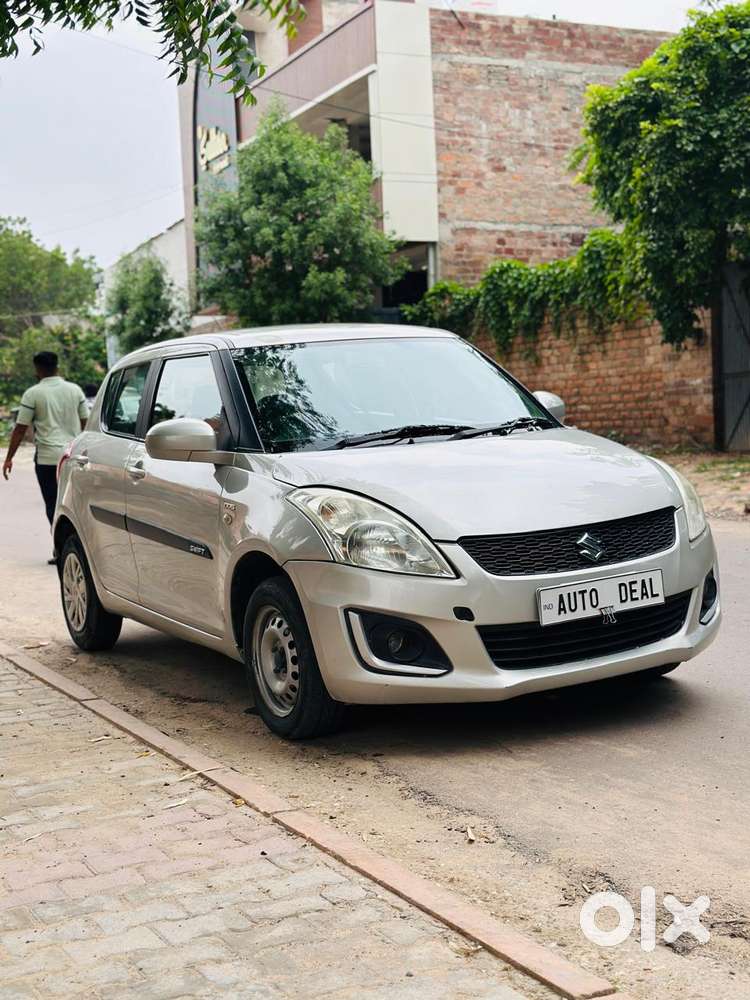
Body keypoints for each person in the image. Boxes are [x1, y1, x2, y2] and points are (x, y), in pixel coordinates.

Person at [2, 351, 88, 563]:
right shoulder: (74, 390)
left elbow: (20, 429)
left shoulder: (33, 394)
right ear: (57, 367)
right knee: (76, 503)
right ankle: (78, 549)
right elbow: (86, 422)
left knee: (53, 503)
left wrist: (9, 458)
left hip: (48, 459)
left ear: (37, 369)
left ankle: (60, 549)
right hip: (72, 456)